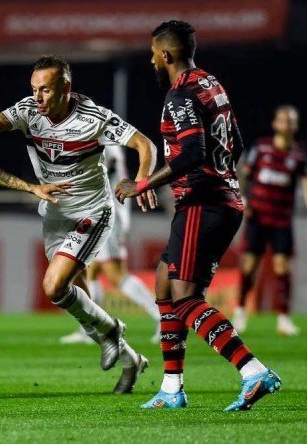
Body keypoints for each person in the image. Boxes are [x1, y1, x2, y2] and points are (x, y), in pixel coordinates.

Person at [0, 55, 157, 394]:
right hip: (55, 213)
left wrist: (141, 182)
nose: (38, 97)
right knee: (79, 297)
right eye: (34, 89)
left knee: (54, 287)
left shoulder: (93, 118)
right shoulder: (29, 110)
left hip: (92, 212)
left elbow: (145, 144)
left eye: (46, 90)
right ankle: (130, 359)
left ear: (66, 88)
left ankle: (113, 331)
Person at [115, 20, 281, 411]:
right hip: (220, 200)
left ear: (167, 54)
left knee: (185, 298)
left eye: (154, 53)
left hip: (202, 204)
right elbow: (235, 143)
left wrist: (142, 185)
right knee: (163, 285)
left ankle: (252, 370)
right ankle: (172, 388)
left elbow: (191, 153)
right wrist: (221, 177)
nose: (151, 59)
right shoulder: (211, 84)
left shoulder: (181, 95)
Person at [60, 145, 161, 345]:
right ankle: (91, 328)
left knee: (115, 274)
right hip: (99, 215)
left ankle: (163, 318)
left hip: (108, 216)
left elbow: (99, 172)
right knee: (91, 271)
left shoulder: (105, 144)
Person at [234, 105, 306, 336]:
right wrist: (242, 199)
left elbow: (304, 185)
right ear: (275, 124)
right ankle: (240, 312)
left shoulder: (298, 155)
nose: (287, 124)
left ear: (295, 126)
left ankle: (283, 319)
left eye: (291, 120)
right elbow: (245, 174)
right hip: (257, 216)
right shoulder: (261, 147)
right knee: (249, 265)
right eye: (283, 120)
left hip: (281, 220)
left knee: (282, 267)